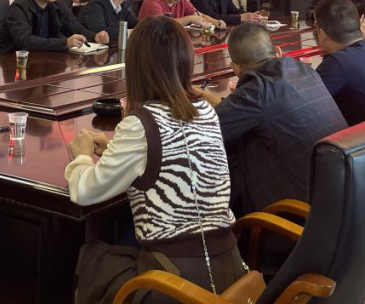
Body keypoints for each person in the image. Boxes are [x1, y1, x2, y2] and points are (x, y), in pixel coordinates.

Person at [66, 17, 247, 304]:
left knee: (92, 257)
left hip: (175, 282)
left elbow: (84, 192)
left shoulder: (140, 123)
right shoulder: (206, 111)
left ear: (136, 65)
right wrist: (117, 149)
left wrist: (82, 156)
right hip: (228, 265)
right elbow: (175, 154)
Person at [194, 23, 346, 216]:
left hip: (298, 216)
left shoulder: (256, 90)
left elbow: (202, 133)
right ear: (277, 52)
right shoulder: (304, 70)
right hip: (339, 198)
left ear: (235, 68)